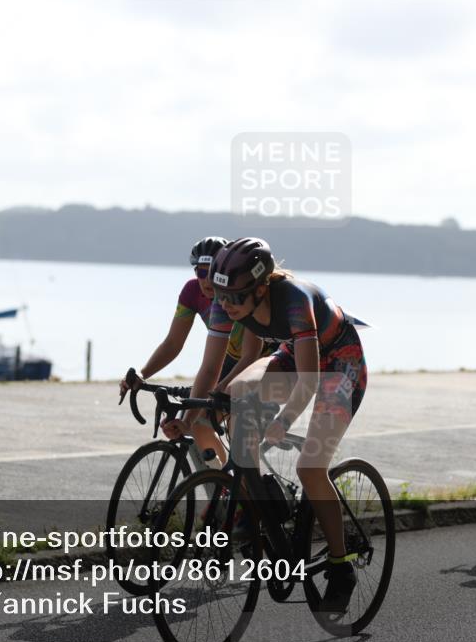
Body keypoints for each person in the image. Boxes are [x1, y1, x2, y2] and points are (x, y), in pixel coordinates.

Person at [205, 237, 368, 613]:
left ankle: (341, 569)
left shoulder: (293, 300)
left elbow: (310, 380)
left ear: (261, 288)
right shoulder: (233, 301)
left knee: (310, 467)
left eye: (236, 298)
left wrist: (284, 420)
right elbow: (245, 364)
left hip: (340, 363)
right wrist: (217, 399)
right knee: (239, 394)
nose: (227, 306)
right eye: (222, 297)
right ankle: (264, 498)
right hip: (293, 352)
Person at [119, 237, 233, 464]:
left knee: (202, 421)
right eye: (202, 272)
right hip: (220, 364)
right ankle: (225, 486)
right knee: (197, 423)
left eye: (213, 272)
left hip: (252, 364)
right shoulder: (192, 292)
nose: (207, 280)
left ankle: (241, 490)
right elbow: (173, 342)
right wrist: (143, 374)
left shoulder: (231, 295)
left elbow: (212, 370)